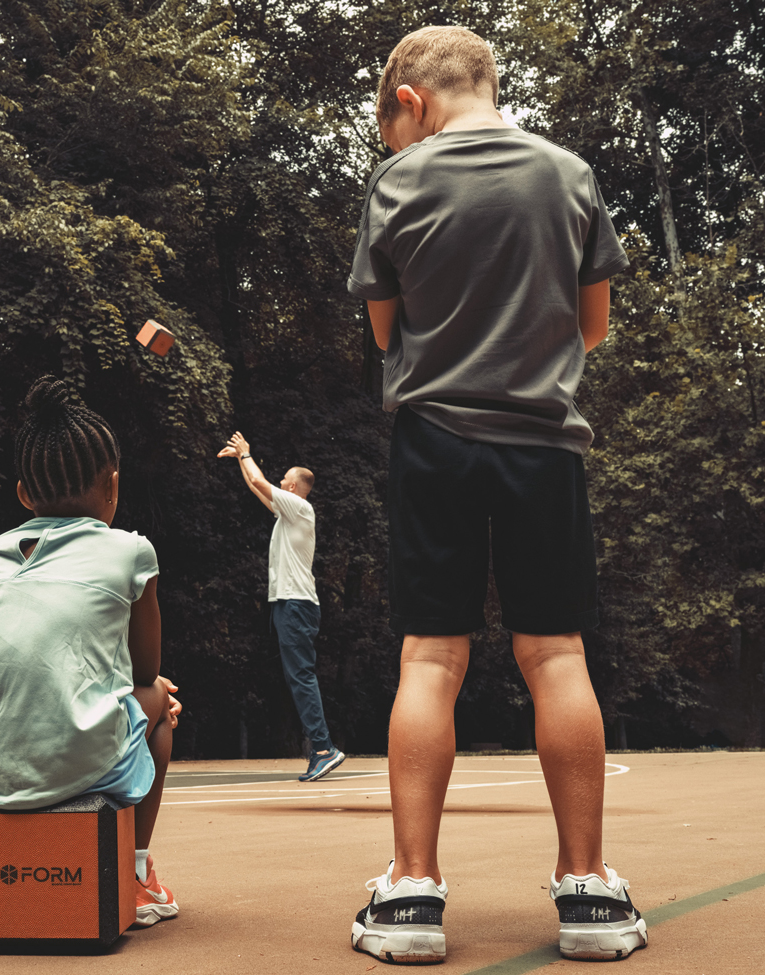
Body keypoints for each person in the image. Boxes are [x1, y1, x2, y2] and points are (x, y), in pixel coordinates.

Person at [345, 26, 645, 964]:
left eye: (390, 125)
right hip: (542, 444)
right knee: (555, 653)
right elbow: (591, 329)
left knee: (430, 659)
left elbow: (387, 331)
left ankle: (412, 898)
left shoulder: (400, 183)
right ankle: (589, 892)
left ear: (411, 100)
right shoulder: (568, 175)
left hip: (434, 444)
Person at [0, 375, 182, 927]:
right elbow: (144, 671)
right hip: (76, 756)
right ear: (113, 486)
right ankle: (136, 872)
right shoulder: (129, 550)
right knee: (160, 701)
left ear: (25, 496)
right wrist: (149, 690)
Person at [216, 431, 347, 781]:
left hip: (296, 605)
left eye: (284, 480)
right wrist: (241, 463)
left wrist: (246, 452)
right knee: (297, 677)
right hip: (288, 605)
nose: (280, 482)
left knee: (301, 677)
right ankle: (321, 748)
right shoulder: (287, 515)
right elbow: (256, 485)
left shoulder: (301, 509)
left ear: (292, 489)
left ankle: (323, 748)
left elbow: (259, 479)